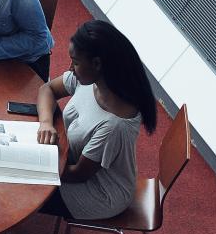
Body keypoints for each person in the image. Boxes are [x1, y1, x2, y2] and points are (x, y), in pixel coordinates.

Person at [36, 19, 157, 221]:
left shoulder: (114, 125)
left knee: (14, 184)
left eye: (75, 62)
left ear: (97, 63)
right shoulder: (90, 80)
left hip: (98, 194)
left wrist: (35, 166)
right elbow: (46, 89)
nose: (70, 68)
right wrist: (46, 123)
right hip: (67, 161)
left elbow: (77, 175)